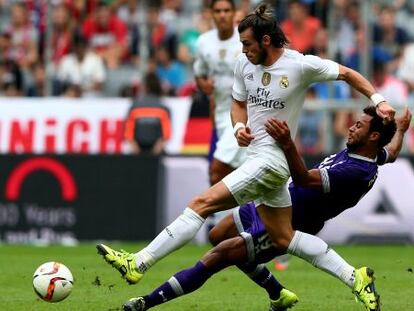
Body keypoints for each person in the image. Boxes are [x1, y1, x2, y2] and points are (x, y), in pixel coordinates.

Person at [96, 4, 395, 310]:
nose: (243, 50)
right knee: (285, 238)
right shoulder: (244, 63)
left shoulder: (300, 66)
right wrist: (239, 126)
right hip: (258, 156)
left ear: (266, 41)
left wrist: (379, 99)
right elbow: (237, 103)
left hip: (271, 162)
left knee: (202, 204)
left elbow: (346, 74)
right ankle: (353, 277)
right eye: (241, 45)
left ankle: (139, 262)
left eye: (248, 44)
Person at [121, 107, 411, 311]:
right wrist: (400, 129)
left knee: (218, 256)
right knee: (217, 235)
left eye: (359, 126)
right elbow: (393, 151)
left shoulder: (355, 171)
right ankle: (277, 292)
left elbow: (304, 179)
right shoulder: (372, 153)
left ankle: (146, 302)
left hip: (290, 220)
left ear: (372, 137)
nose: (351, 126)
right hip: (275, 199)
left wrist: (287, 144)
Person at [193, 0, 246, 186]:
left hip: (242, 115)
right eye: (218, 11)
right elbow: (199, 74)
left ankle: (217, 215)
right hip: (219, 115)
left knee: (217, 171)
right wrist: (203, 84)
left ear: (234, 13)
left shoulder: (244, 42)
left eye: (226, 10)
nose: (222, 15)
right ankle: (241, 214)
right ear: (211, 14)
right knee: (230, 174)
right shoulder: (204, 42)